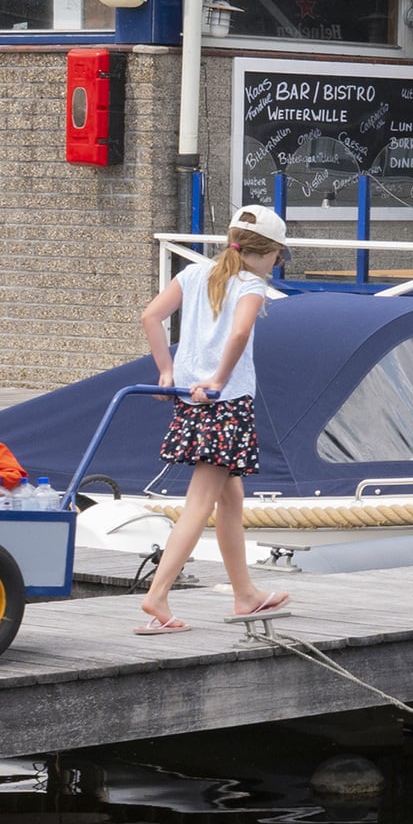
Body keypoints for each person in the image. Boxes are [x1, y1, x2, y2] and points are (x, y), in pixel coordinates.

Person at [134, 207, 295, 633]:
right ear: (266, 254)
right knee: (200, 503)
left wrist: (166, 369)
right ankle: (158, 595)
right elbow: (240, 333)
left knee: (231, 497)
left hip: (191, 399)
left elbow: (151, 316)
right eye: (278, 256)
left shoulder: (195, 273)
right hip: (225, 402)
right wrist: (220, 378)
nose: (277, 264)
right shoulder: (251, 286)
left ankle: (245, 595)